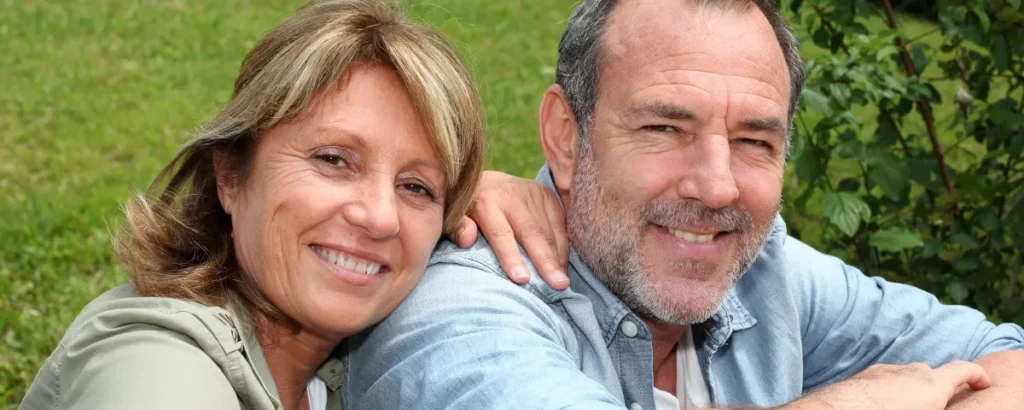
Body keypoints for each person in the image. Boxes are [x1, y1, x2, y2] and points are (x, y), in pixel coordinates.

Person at [341, 0, 1024, 409]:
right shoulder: (457, 311)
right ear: (567, 137)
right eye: (665, 128)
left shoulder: (767, 275)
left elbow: (1004, 355)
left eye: (755, 140)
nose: (718, 187)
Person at [18, 1, 570, 409]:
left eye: (416, 188)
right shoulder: (160, 370)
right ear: (230, 175)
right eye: (333, 160)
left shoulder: (323, 368)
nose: (381, 217)